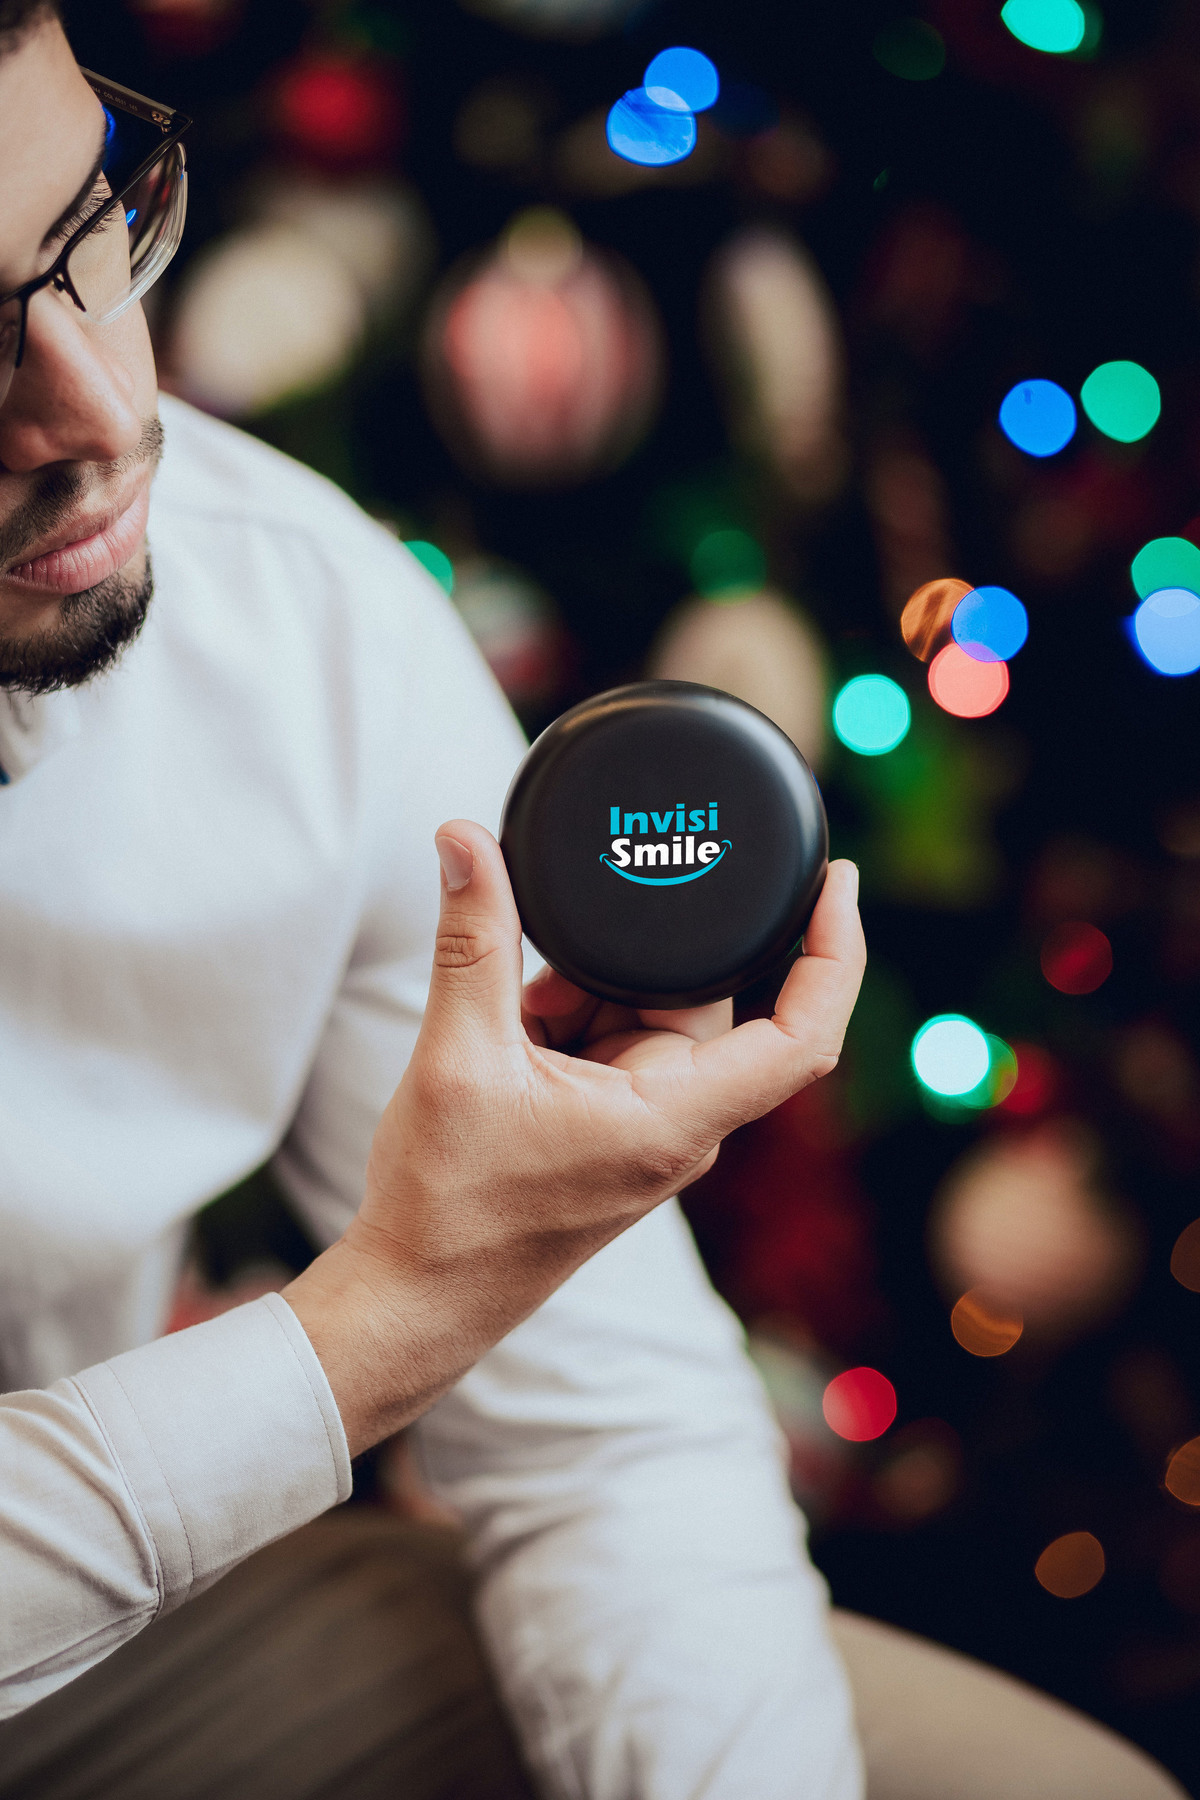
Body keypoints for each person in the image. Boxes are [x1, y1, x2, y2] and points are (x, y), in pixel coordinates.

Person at [0, 9, 1188, 1800]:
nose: (99, 411)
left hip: (114, 1653)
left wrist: (453, 1288)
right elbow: (401, 1322)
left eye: (90, 231)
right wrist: (375, 1329)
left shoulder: (295, 618)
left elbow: (609, 1431)